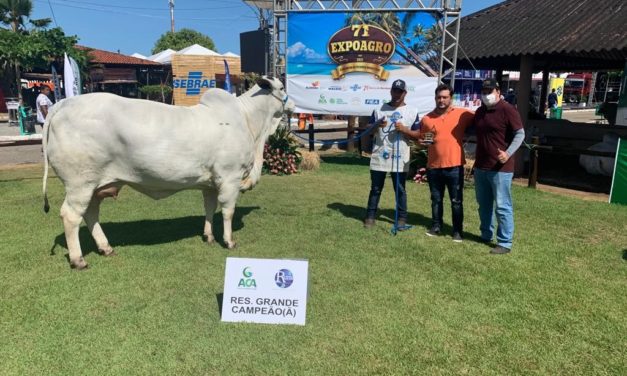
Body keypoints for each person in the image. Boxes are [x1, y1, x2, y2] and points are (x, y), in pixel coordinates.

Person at [473, 78, 525, 254]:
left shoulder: (508, 109)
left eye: (489, 91)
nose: (486, 95)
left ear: (498, 91)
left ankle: (505, 242)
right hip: (481, 167)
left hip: (500, 169)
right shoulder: (480, 111)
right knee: (484, 204)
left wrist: (508, 153)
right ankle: (486, 234)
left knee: (502, 206)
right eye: (484, 91)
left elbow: (520, 134)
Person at [418, 84, 474, 242]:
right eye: (438, 97)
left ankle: (457, 231)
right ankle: (436, 226)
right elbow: (426, 139)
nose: (441, 100)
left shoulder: (463, 114)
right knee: (436, 199)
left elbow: (482, 120)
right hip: (434, 166)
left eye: (445, 97)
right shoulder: (427, 118)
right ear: (435, 98)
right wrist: (423, 142)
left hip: (454, 166)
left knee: (456, 201)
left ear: (451, 98)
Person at [364, 79, 420, 229]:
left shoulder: (412, 111)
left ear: (405, 93)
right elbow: (367, 130)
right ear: (391, 91)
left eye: (400, 91)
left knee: (400, 188)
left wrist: (405, 130)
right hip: (380, 153)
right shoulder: (379, 109)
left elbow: (418, 134)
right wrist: (376, 125)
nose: (397, 94)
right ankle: (370, 216)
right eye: (394, 90)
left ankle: (402, 218)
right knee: (376, 188)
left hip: (400, 155)